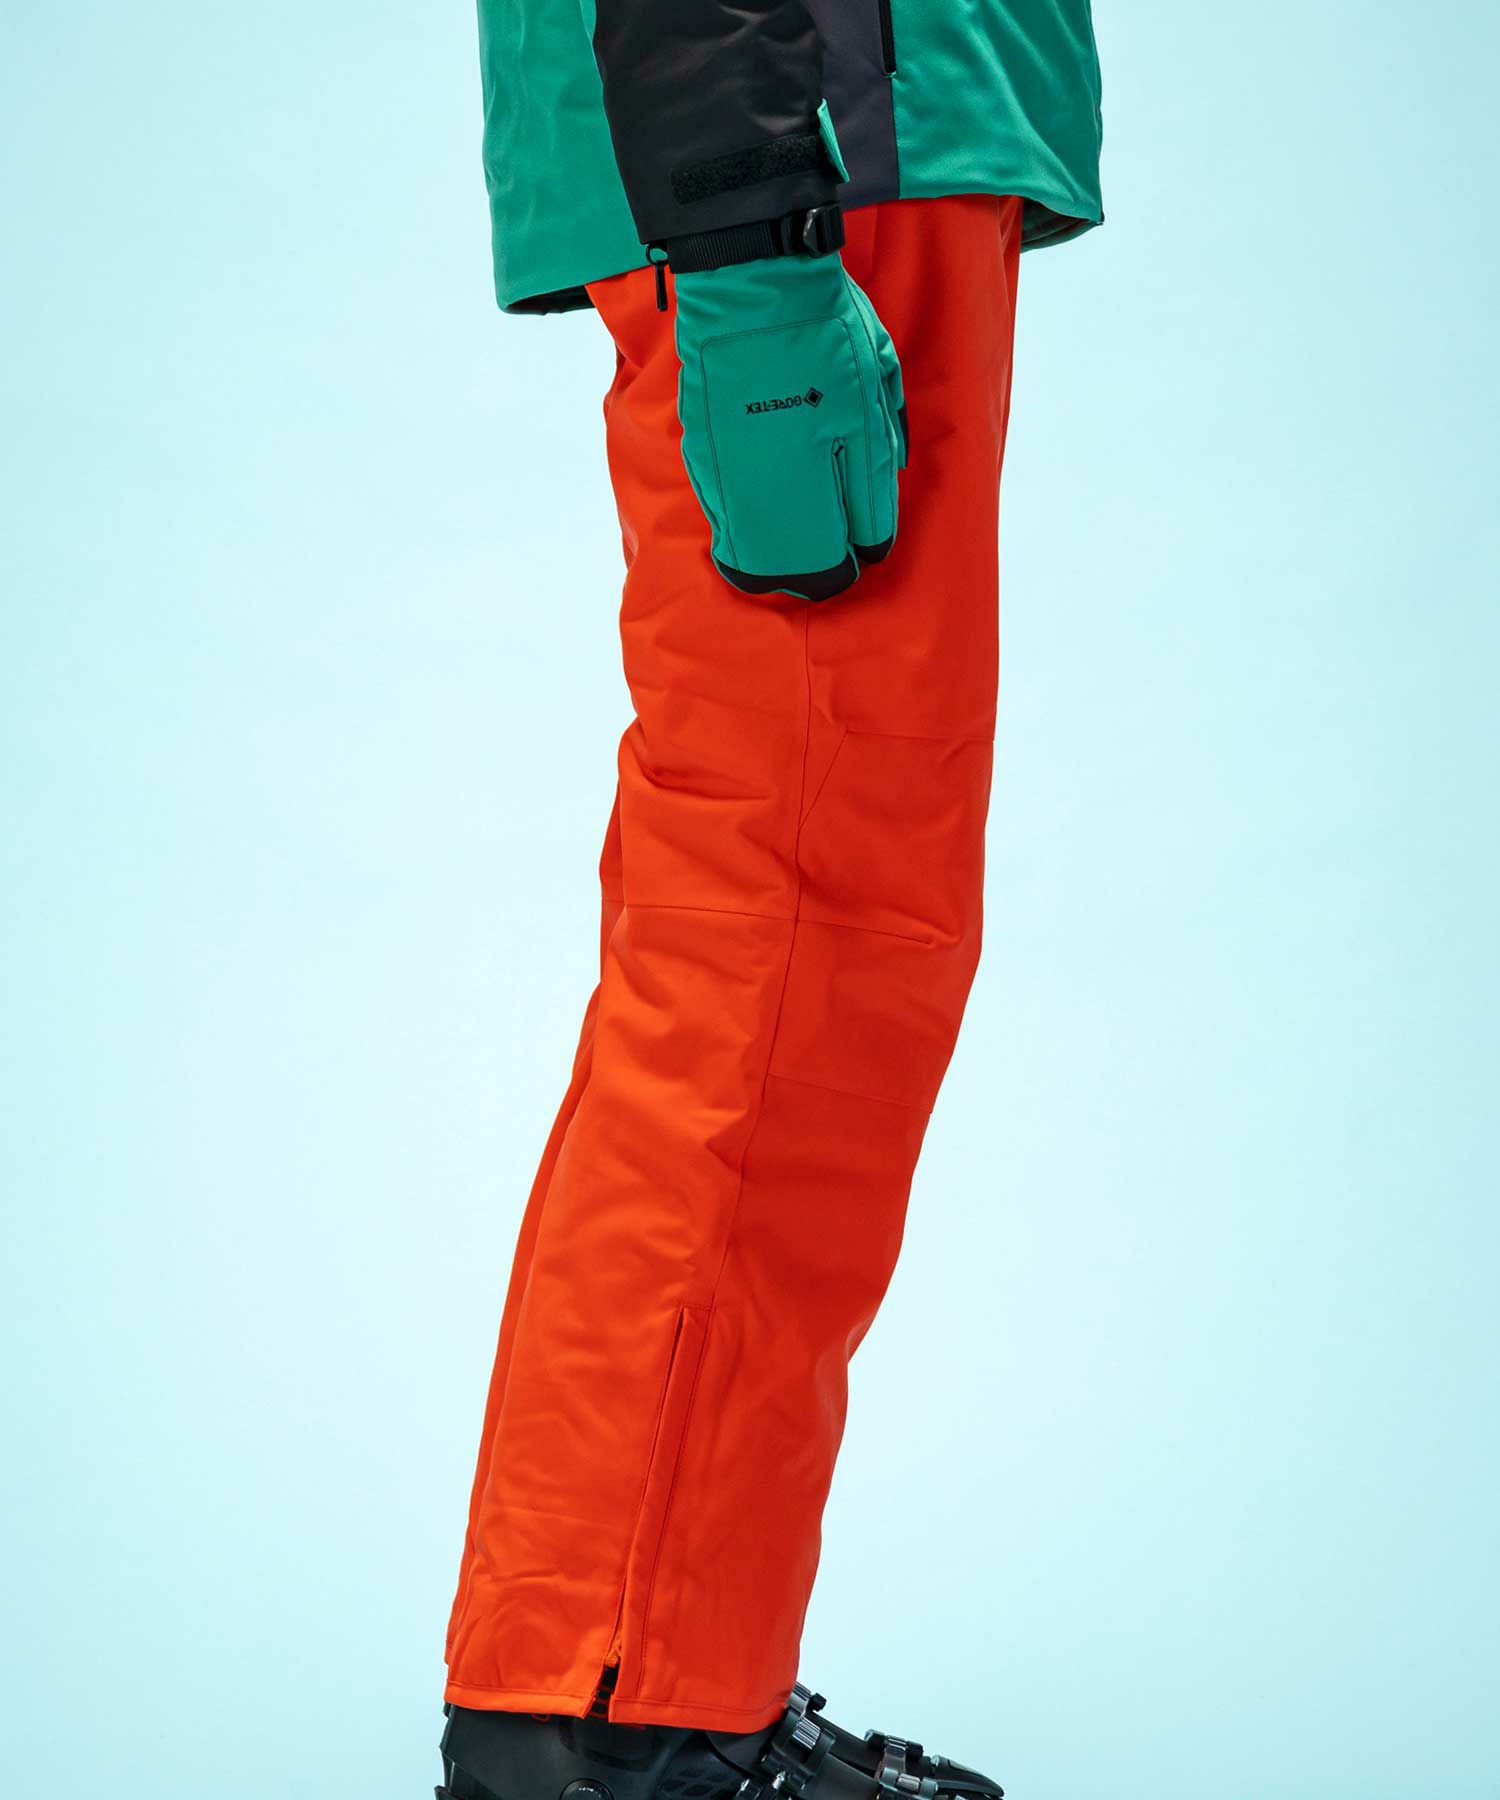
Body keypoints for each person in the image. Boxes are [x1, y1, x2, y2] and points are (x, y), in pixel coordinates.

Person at [439, 2, 1103, 1795]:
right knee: (781, 955)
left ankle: (629, 1676)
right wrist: (749, 223)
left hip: (818, 148)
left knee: (793, 955)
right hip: (809, 146)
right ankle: (618, 1715)